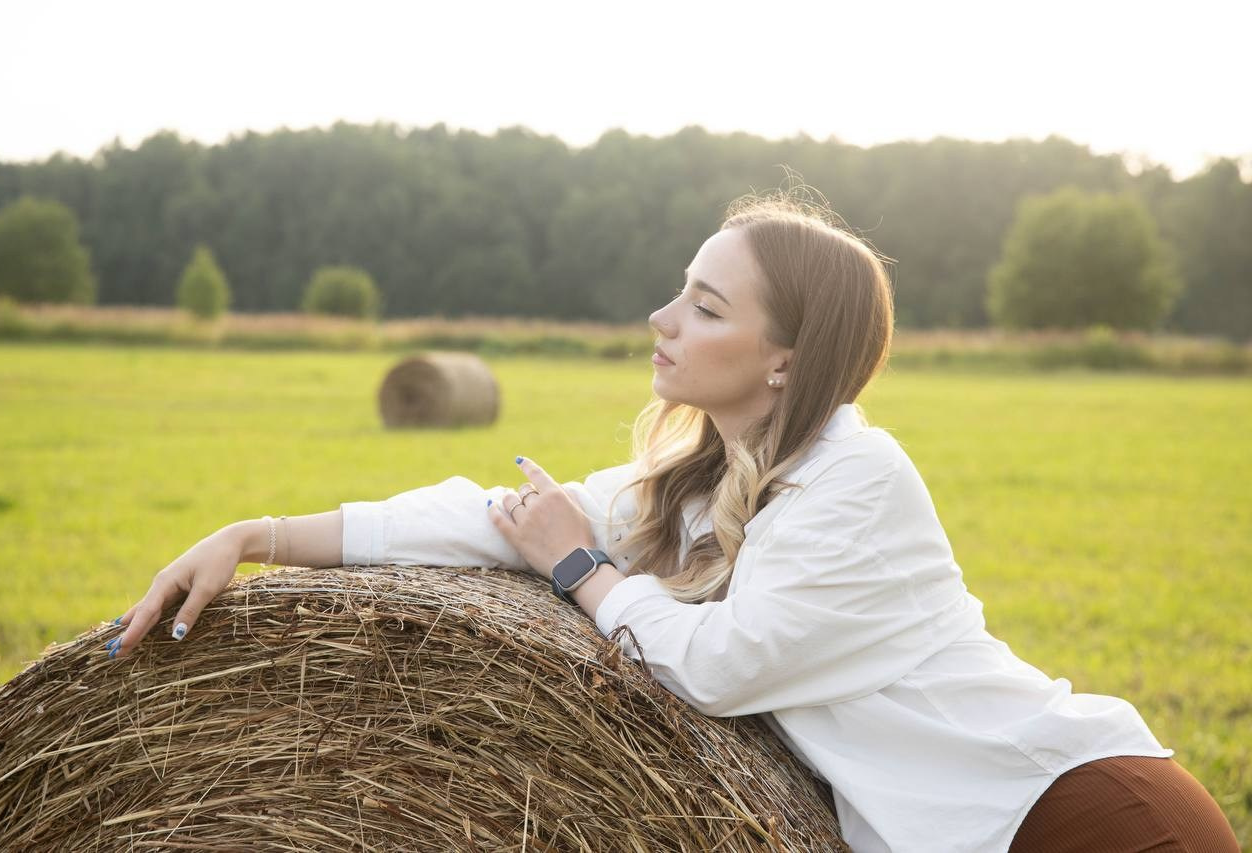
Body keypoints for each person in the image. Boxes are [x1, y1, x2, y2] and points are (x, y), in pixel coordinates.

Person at [107, 190, 1240, 852]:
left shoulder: (853, 476)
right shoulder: (700, 480)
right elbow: (489, 515)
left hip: (1073, 817)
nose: (662, 317)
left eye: (703, 306)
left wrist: (586, 575)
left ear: (784, 357)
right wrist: (256, 534)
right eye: (677, 291)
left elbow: (720, 665)